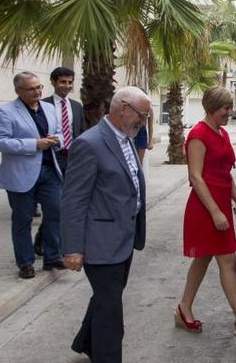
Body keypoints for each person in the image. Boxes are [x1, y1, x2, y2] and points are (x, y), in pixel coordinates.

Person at [175, 86, 236, 346]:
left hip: (219, 204)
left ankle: (184, 309)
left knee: (203, 259)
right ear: (210, 108)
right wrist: (216, 212)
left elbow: (224, 172)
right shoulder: (198, 135)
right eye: (225, 109)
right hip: (205, 207)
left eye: (229, 107)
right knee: (228, 261)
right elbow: (196, 176)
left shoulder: (221, 133)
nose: (230, 112)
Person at [62, 86, 150, 361]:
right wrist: (73, 248)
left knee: (105, 298)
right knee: (111, 311)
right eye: (143, 115)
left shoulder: (126, 138)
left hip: (124, 239)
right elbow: (73, 200)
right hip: (101, 242)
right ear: (123, 108)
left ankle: (85, 341)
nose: (144, 122)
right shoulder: (89, 144)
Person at [0, 72, 64, 279]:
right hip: (21, 174)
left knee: (56, 212)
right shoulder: (5, 112)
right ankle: (25, 262)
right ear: (18, 91)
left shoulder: (49, 108)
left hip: (49, 171)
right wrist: (34, 144)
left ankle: (52, 256)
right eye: (31, 89)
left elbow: (59, 131)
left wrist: (56, 139)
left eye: (39, 87)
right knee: (22, 220)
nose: (37, 92)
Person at [34, 66, 85, 256]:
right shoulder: (43, 105)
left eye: (70, 82)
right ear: (54, 83)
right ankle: (46, 242)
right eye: (62, 82)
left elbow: (82, 134)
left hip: (72, 158)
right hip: (51, 158)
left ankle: (48, 241)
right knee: (55, 204)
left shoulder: (76, 107)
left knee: (67, 204)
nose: (66, 86)